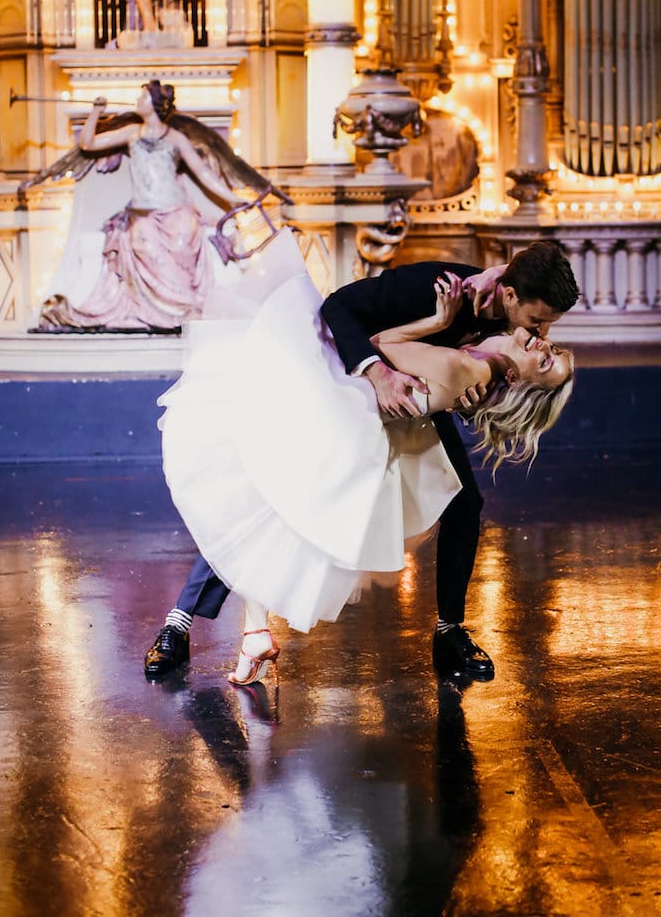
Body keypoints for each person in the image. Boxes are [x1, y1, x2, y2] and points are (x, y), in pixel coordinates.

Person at [145, 235, 580, 682]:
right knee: (264, 493)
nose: (542, 334)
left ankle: (450, 631)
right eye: (538, 321)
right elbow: (339, 308)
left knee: (465, 502)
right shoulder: (438, 285)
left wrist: (467, 398)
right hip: (342, 376)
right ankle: (178, 624)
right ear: (510, 295)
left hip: (404, 407)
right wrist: (379, 372)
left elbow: (484, 383)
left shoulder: (512, 335)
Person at [37, 81, 241, 332]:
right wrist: (96, 112)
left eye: (142, 96)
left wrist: (233, 199)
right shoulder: (132, 132)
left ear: (154, 104)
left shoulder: (175, 138)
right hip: (144, 214)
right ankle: (166, 312)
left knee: (183, 240)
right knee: (141, 244)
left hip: (177, 210)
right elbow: (88, 143)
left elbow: (203, 173)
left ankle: (185, 307)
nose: (137, 100)